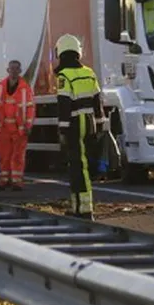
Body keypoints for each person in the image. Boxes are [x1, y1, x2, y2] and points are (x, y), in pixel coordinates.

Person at [54, 34, 101, 220]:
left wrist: (63, 131)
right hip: (89, 121)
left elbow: (63, 105)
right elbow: (97, 101)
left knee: (77, 166)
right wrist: (100, 125)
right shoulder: (89, 72)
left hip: (74, 124)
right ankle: (78, 207)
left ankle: (84, 209)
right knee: (84, 164)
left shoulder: (64, 75)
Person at [0, 59, 34, 190]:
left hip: (19, 128)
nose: (14, 71)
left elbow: (30, 108)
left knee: (17, 155)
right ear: (8, 70)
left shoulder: (25, 88)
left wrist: (28, 125)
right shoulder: (0, 86)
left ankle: (16, 181)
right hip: (4, 127)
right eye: (12, 68)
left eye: (16, 68)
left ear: (20, 70)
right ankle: (4, 180)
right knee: (4, 155)